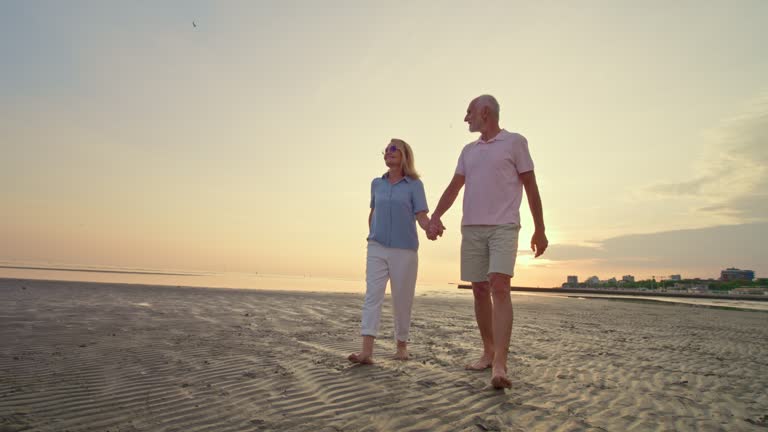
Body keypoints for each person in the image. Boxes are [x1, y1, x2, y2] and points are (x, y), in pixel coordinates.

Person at [428, 95, 548, 389]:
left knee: (499, 285)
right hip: (471, 228)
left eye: (469, 112)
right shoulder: (468, 151)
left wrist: (540, 229)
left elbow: (531, 186)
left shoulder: (515, 142)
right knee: (480, 290)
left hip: (504, 226)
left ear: (485, 113)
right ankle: (487, 351)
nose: (466, 118)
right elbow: (454, 187)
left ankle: (500, 364)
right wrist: (435, 216)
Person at [348, 138, 437, 365]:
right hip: (377, 247)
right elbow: (373, 212)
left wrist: (430, 228)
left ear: (405, 154)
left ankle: (401, 346)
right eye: (386, 149)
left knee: (402, 299)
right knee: (372, 296)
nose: (388, 152)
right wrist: (371, 236)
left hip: (404, 250)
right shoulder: (376, 183)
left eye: (393, 148)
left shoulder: (414, 185)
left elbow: (421, 216)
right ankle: (366, 351)